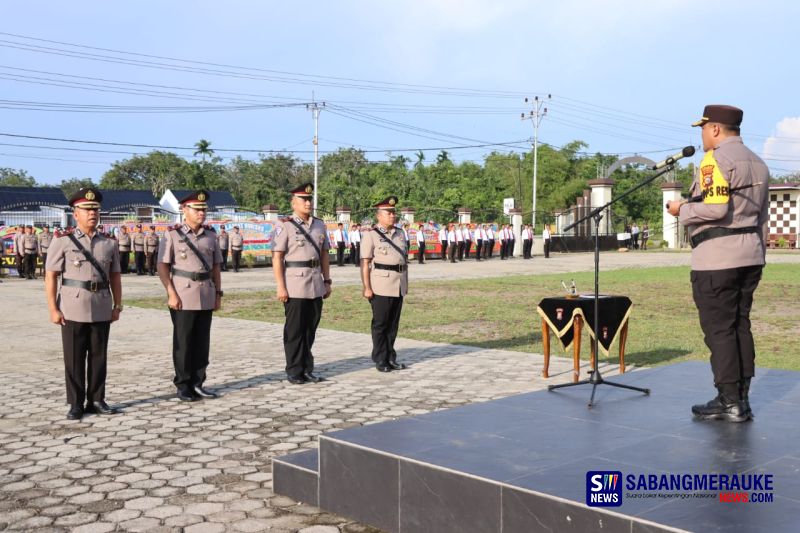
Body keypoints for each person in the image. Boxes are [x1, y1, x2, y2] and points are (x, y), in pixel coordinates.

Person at [666, 104, 769, 422]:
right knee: (740, 326)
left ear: (714, 129)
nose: (701, 135)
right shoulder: (759, 163)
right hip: (750, 255)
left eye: (702, 128)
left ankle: (729, 401)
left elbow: (715, 210)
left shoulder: (715, 160)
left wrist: (680, 210)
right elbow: (762, 217)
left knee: (719, 331)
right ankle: (742, 398)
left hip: (717, 258)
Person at [45, 188, 123, 420]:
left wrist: (117, 305)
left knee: (99, 356)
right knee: (74, 357)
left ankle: (97, 399)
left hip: (101, 304)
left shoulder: (109, 243)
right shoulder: (63, 241)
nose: (92, 213)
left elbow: (116, 276)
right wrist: (53, 308)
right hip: (72, 306)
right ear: (75, 213)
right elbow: (51, 276)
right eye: (87, 209)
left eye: (95, 210)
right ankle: (76, 402)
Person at [157, 190, 223, 402]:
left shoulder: (211, 235)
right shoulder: (172, 235)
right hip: (182, 294)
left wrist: (218, 293)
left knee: (202, 342)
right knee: (183, 342)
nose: (201, 213)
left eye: (204, 209)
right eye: (197, 209)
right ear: (184, 210)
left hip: (205, 292)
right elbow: (163, 266)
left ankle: (198, 382)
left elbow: (216, 268)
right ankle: (183, 384)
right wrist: (171, 293)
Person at [271, 183, 332, 384]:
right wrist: (280, 286)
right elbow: (277, 257)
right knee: (295, 330)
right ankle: (294, 370)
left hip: (315, 282)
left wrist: (327, 280)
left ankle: (307, 368)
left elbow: (324, 254)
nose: (308, 202)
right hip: (294, 283)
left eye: (309, 199)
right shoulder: (285, 225)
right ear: (293, 202)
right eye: (303, 199)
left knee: (310, 329)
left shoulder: (319, 225)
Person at [360, 196, 408, 372]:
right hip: (381, 284)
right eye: (388, 212)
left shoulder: (400, 233)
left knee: (393, 325)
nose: (392, 216)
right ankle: (380, 358)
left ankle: (390, 357)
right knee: (380, 324)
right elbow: (365, 263)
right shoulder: (371, 235)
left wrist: (405, 284)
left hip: (398, 284)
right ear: (378, 215)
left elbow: (404, 260)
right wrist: (367, 287)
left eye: (394, 212)